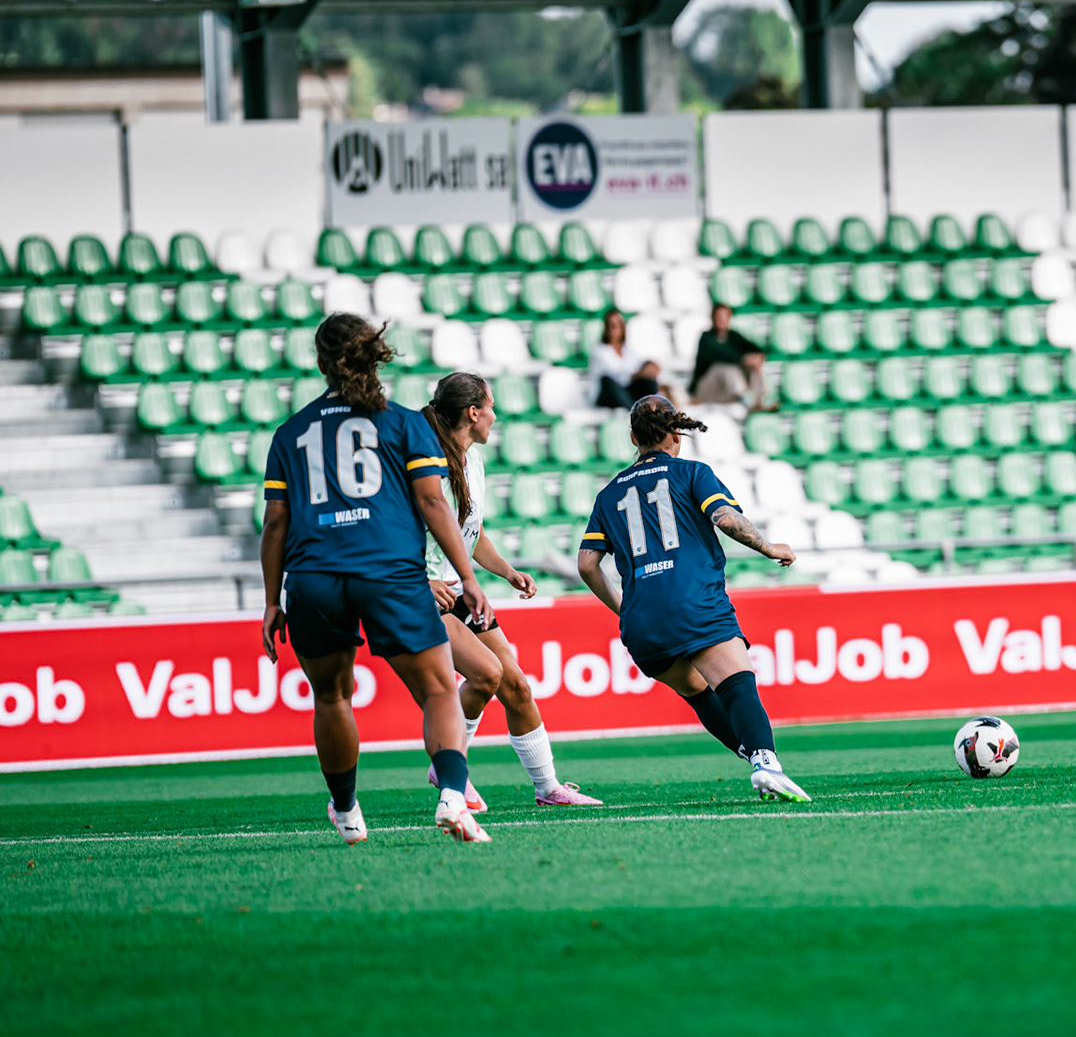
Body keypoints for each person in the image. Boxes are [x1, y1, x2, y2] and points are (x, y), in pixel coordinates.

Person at [258, 314, 494, 844]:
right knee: (437, 688)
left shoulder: (290, 432)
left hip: (314, 577)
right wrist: (466, 577)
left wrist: (272, 601)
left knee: (332, 698)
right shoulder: (406, 423)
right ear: (376, 354)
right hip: (389, 573)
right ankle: (452, 798)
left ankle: (346, 812)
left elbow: (276, 524)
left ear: (321, 363)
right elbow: (433, 501)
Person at [576, 395, 810, 802]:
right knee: (737, 682)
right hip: (692, 603)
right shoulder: (692, 473)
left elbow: (586, 565)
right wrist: (770, 548)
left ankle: (750, 753)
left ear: (633, 436)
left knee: (699, 691)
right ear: (676, 436)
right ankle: (765, 763)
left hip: (642, 625)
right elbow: (724, 518)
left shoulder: (608, 494)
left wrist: (622, 608)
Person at [421, 372, 602, 810]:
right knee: (486, 673)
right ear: (473, 412)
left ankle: (549, 788)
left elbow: (470, 532)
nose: (496, 417)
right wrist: (423, 580)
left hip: (461, 591)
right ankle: (449, 765)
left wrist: (506, 571)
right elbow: (392, 533)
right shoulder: (427, 465)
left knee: (516, 685)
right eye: (492, 407)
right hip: (427, 594)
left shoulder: (472, 463)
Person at [689, 304, 768, 408]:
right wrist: (744, 359)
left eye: (724, 316)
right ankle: (746, 400)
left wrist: (756, 358)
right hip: (706, 389)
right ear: (712, 318)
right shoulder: (706, 338)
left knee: (753, 364)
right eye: (718, 316)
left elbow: (755, 349)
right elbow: (721, 353)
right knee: (726, 368)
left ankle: (758, 402)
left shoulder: (733, 336)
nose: (721, 320)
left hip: (727, 391)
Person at [587, 311, 662, 410]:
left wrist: (649, 366)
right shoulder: (599, 350)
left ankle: (650, 410)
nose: (615, 330)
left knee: (648, 382)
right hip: (606, 395)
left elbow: (638, 365)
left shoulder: (627, 349)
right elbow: (617, 375)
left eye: (619, 326)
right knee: (608, 381)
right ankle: (632, 411)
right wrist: (638, 374)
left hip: (625, 390)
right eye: (612, 326)